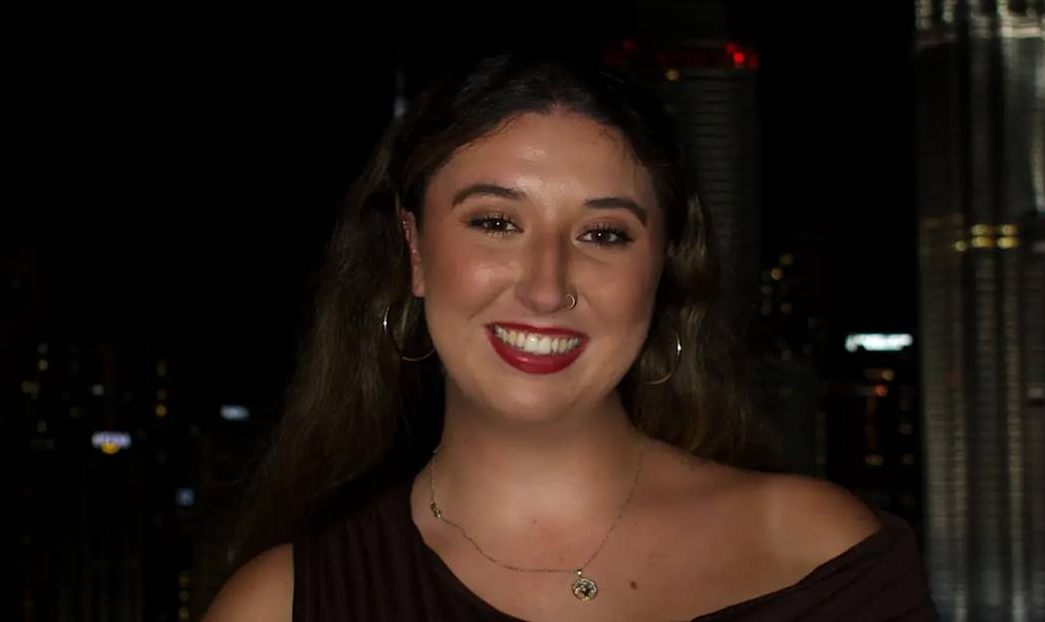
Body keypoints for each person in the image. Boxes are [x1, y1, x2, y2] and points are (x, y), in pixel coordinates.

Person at [204, 52, 935, 621]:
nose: (547, 287)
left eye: (604, 234)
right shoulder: (283, 605)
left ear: (662, 269)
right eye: (496, 222)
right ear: (415, 251)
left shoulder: (815, 554)